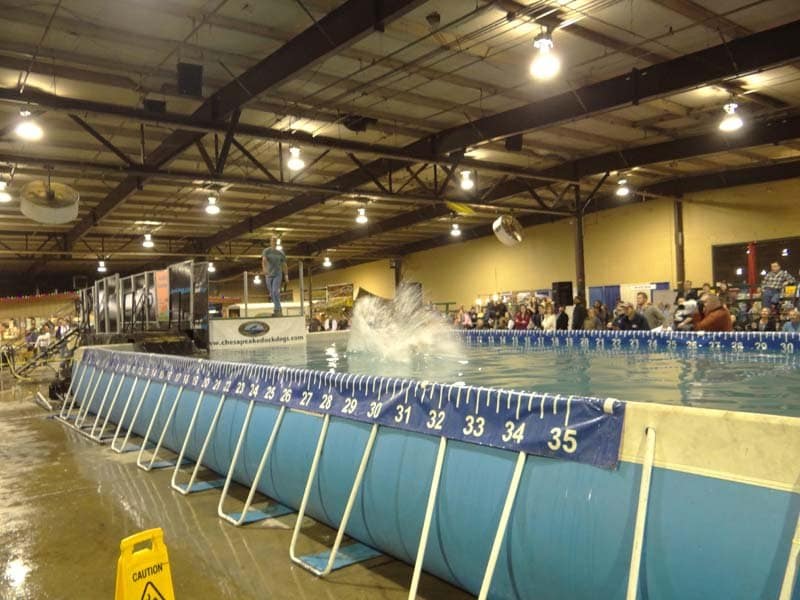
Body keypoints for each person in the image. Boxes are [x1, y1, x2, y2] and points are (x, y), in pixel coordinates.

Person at [261, 237, 289, 316]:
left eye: (275, 241)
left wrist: (286, 275)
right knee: (272, 293)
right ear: (270, 242)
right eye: (273, 241)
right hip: (269, 275)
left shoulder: (280, 253)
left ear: (277, 242)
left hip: (278, 274)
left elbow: (284, 264)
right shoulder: (266, 251)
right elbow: (264, 260)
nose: (274, 242)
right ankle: (277, 308)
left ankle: (277, 309)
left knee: (275, 291)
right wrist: (265, 269)